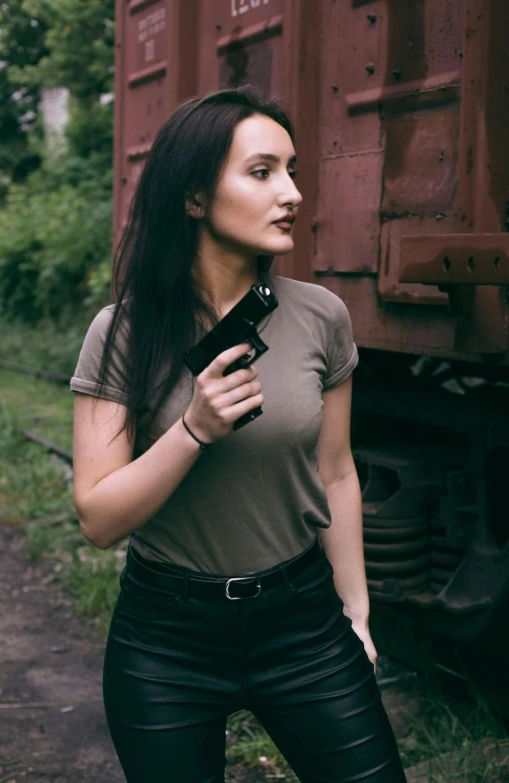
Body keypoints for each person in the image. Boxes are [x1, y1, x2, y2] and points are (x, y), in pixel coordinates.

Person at [70, 85, 407, 783]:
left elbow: (337, 473)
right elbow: (100, 517)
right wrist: (194, 428)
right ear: (194, 197)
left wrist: (356, 611)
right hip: (166, 640)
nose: (290, 193)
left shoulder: (321, 317)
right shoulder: (123, 334)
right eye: (262, 172)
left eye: (292, 171)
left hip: (304, 627)